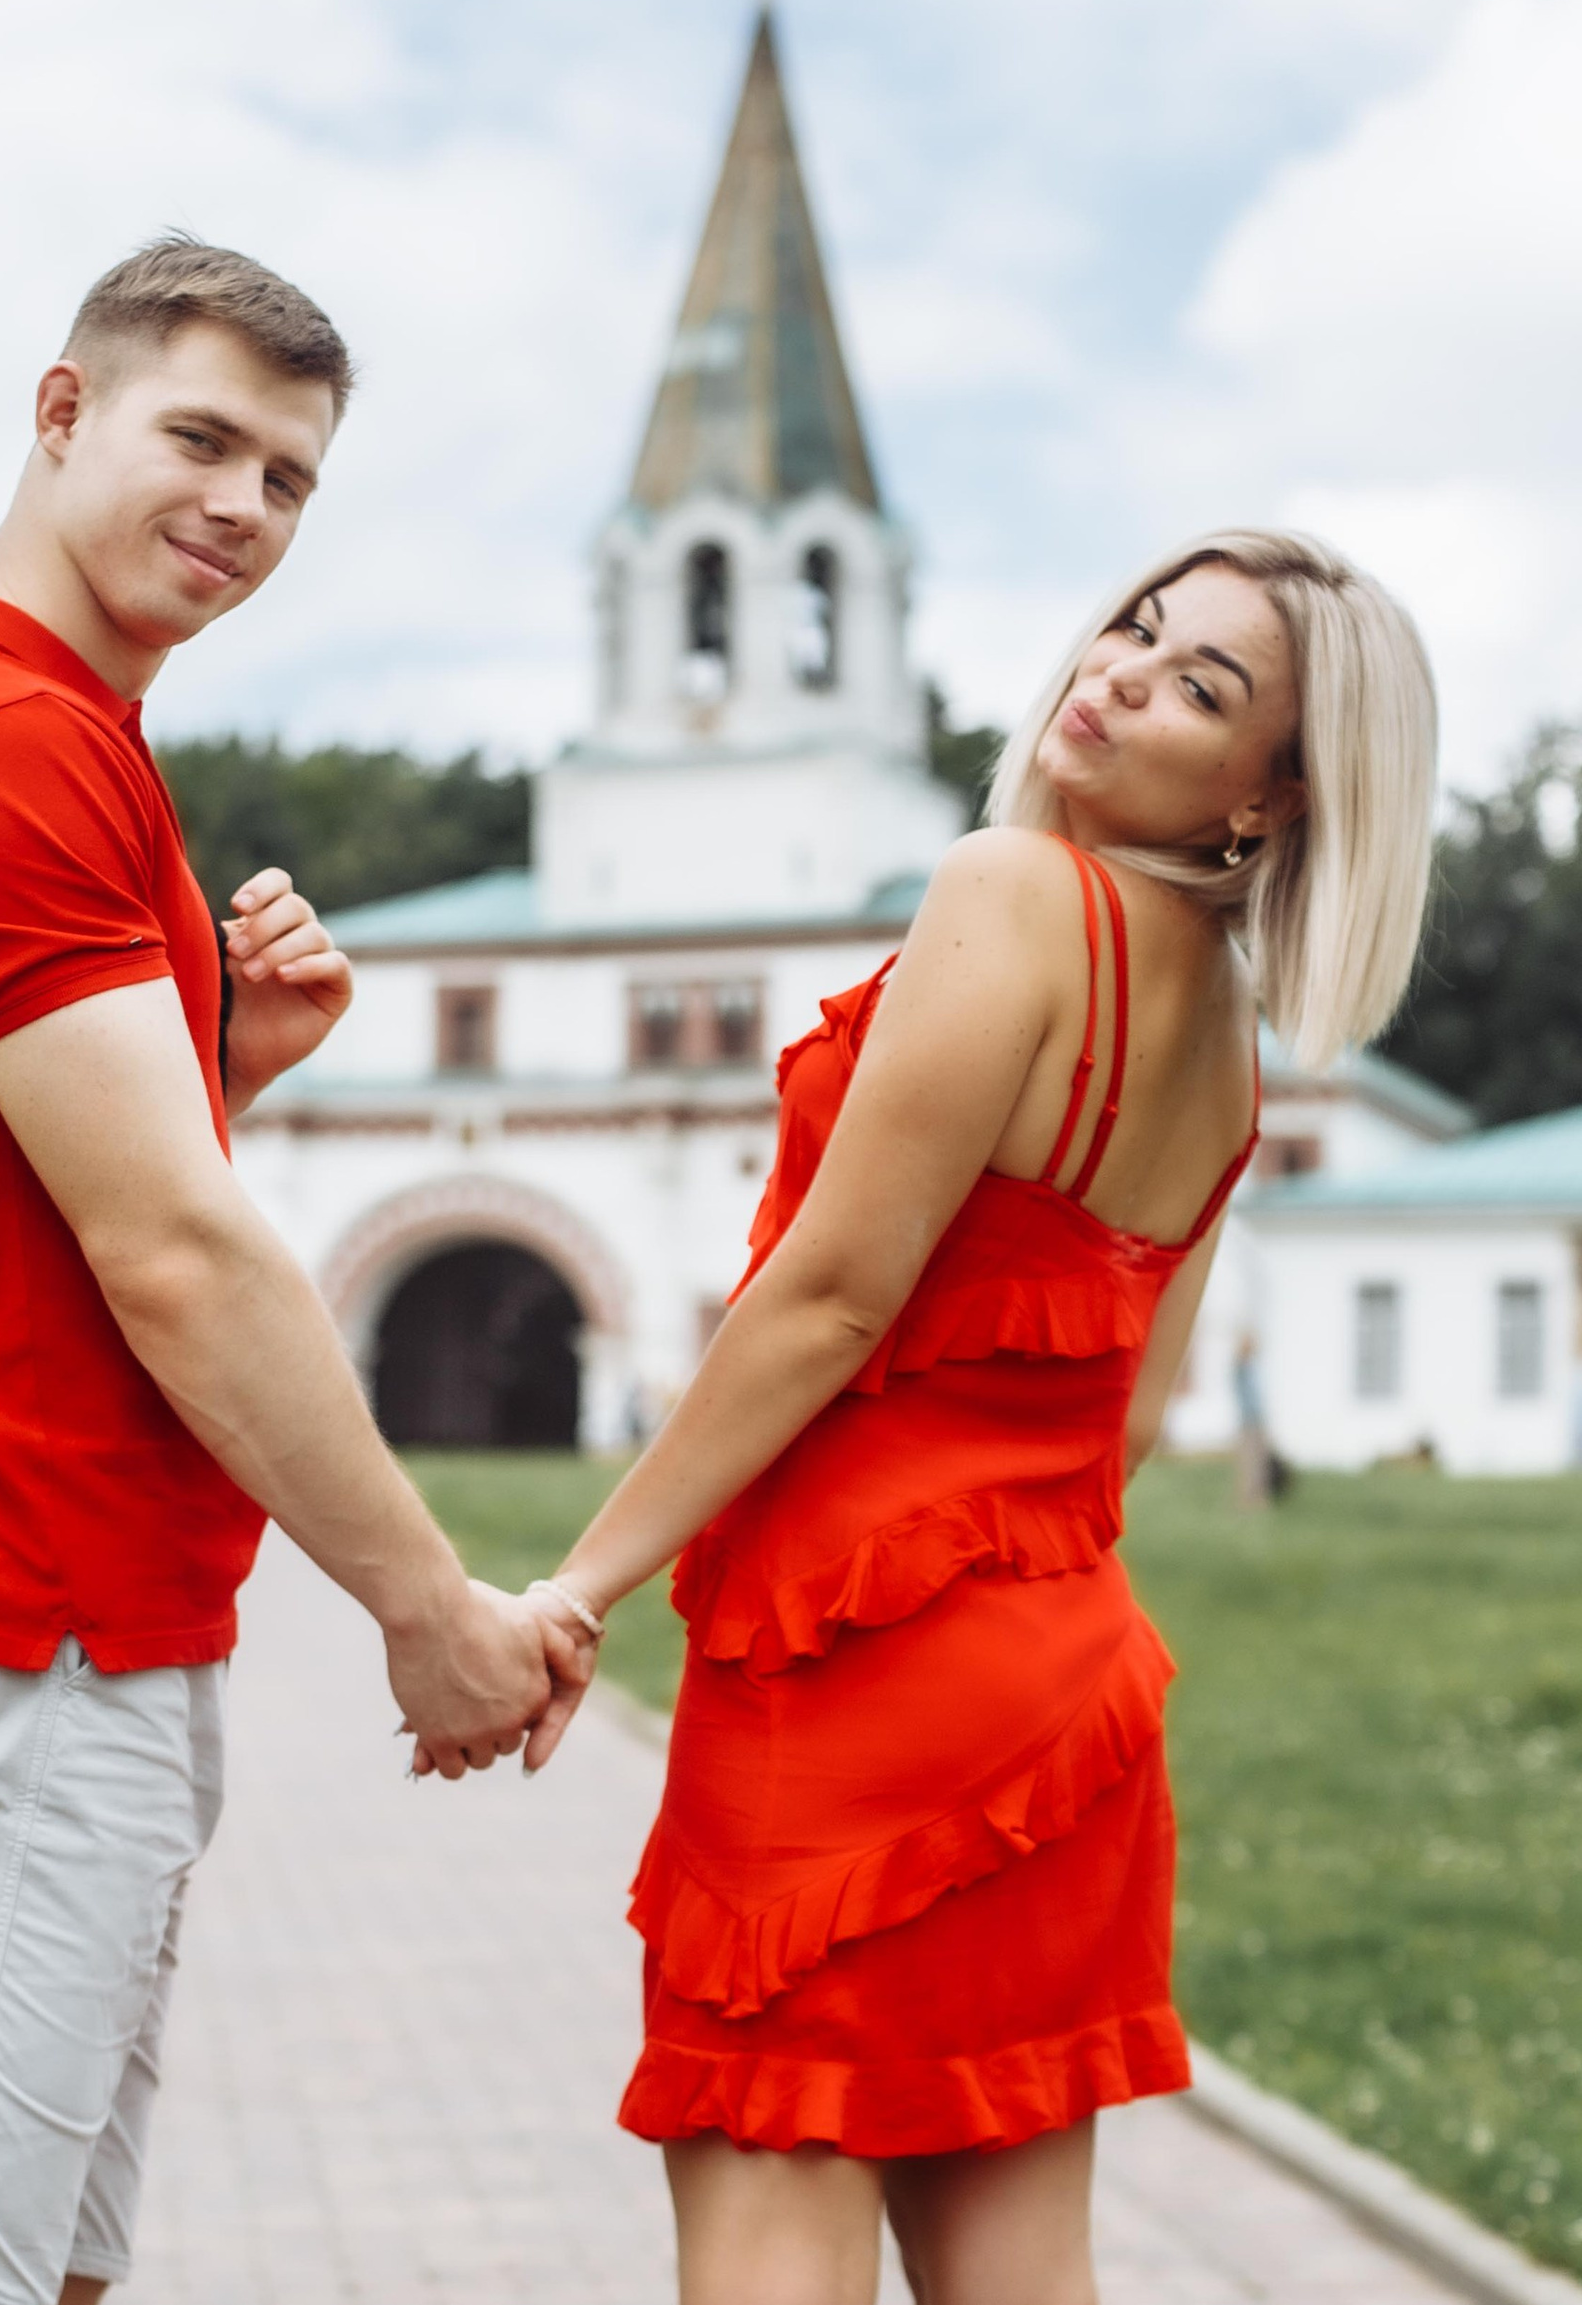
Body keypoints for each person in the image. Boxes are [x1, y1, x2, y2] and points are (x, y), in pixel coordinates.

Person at [0, 237, 584, 2305]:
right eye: (200, 439)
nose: (244, 505)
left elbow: (29, 1197)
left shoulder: (49, 737)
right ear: (60, 411)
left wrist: (221, 1064)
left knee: (31, 2268)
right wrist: (428, 1610)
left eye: (289, 477)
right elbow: (178, 1256)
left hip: (68, 1617)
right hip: (17, 1611)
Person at [516, 531, 1437, 2305]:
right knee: (1019, 2272)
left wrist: (577, 1587)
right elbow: (1130, 1425)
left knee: (772, 2223)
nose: (1119, 674)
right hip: (1064, 1715)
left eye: (1198, 689)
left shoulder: (1011, 890)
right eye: (1137, 627)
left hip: (846, 1671)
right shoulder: (1227, 1045)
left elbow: (832, 1299)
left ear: (1271, 798)